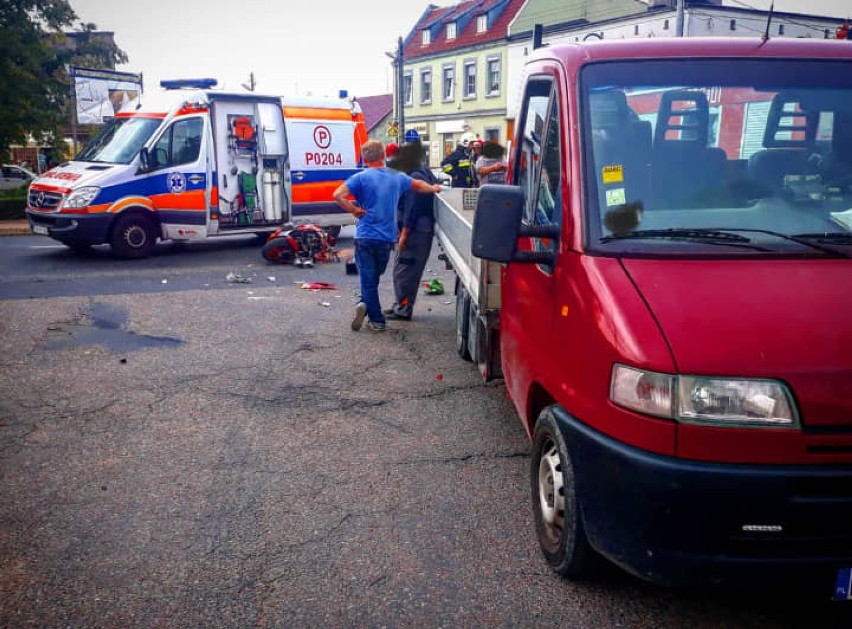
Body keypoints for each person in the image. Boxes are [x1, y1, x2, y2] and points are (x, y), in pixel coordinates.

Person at [333, 140, 442, 332]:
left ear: (365, 158)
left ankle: (376, 319)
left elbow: (338, 195)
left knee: (368, 279)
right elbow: (419, 186)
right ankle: (365, 303)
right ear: (383, 156)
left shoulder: (360, 178)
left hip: (365, 236)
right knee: (375, 275)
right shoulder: (396, 177)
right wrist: (434, 189)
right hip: (386, 239)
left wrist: (354, 210)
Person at [384, 141, 439, 321]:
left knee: (405, 271)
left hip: (415, 230)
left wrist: (404, 235)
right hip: (422, 229)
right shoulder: (423, 171)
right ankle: (401, 304)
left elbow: (411, 209)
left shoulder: (415, 177)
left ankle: (403, 307)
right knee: (407, 270)